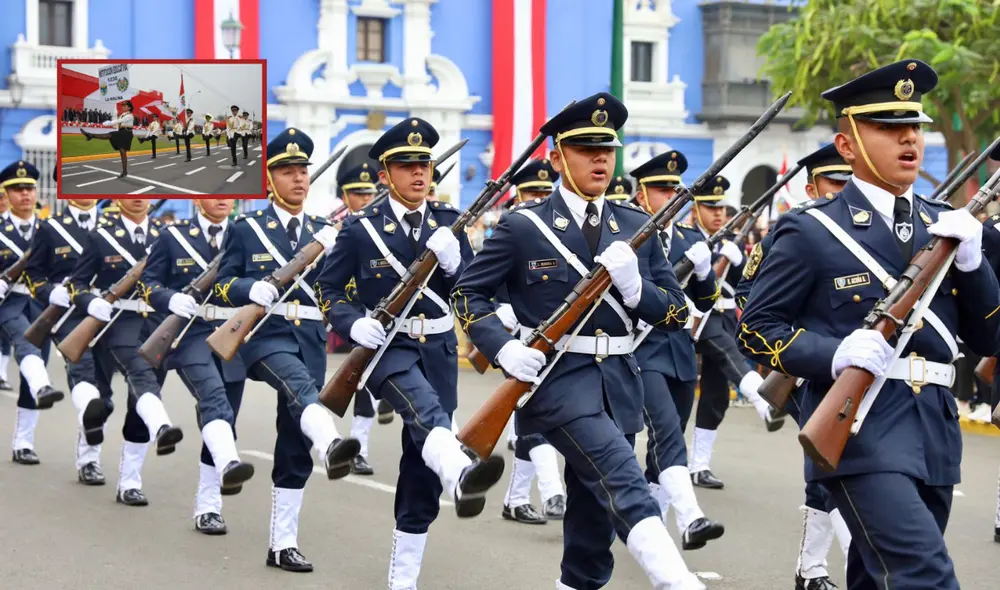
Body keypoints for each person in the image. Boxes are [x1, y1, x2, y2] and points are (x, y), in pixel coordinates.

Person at [737, 59, 1000, 589]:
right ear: (848, 144)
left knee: (877, 578)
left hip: (934, 432)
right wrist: (832, 355)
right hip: (860, 430)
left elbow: (989, 338)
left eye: (915, 128)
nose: (909, 139)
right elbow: (757, 328)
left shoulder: (948, 227)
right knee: (925, 576)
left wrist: (973, 265)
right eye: (887, 128)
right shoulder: (810, 231)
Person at [454, 92, 705, 589]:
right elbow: (468, 293)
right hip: (557, 381)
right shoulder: (524, 227)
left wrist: (637, 289)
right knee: (624, 478)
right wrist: (503, 348)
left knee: (592, 530)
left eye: (607, 150)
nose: (600, 160)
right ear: (556, 158)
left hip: (620, 384)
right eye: (587, 149)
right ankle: (678, 581)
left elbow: (677, 310)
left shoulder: (636, 226)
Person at [316, 117, 506, 589]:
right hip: (388, 349)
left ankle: (403, 579)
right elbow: (329, 288)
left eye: (424, 164)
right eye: (406, 165)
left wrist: (457, 261)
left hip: (438, 347)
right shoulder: (362, 229)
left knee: (421, 462)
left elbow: (468, 291)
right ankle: (462, 470)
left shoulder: (448, 224)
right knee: (427, 414)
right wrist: (351, 321)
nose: (419, 173)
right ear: (386, 174)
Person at [214, 127, 360, 572]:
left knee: (295, 436)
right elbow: (221, 285)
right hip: (262, 337)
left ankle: (282, 542)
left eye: (303, 172)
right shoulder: (247, 228)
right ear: (269, 178)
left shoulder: (326, 232)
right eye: (288, 172)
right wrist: (248, 286)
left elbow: (343, 291)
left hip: (309, 339)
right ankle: (332, 441)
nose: (298, 179)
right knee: (300, 390)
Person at [734, 143, 854, 590]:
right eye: (834, 182)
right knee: (830, 464)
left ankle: (811, 568)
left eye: (848, 180)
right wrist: (797, 344)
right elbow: (751, 299)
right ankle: (855, 565)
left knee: (833, 469)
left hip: (862, 369)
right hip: (808, 365)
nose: (842, 189)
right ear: (811, 187)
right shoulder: (792, 234)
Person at [628, 149, 726, 550]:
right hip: (642, 350)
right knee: (668, 434)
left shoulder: (690, 237)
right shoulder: (631, 234)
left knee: (662, 448)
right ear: (642, 196)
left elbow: (706, 302)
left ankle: (652, 526)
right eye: (661, 190)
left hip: (681, 354)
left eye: (674, 190)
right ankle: (691, 518)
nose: (670, 196)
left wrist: (704, 273)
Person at [140, 198, 255, 534]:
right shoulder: (172, 236)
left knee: (224, 418)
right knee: (213, 396)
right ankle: (221, 480)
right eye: (214, 192)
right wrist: (168, 298)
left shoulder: (246, 234)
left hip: (233, 334)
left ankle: (211, 500)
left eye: (230, 194)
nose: (222, 200)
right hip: (190, 335)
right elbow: (149, 284)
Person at [491, 158, 568, 525]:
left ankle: (516, 499)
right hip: (523, 339)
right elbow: (478, 280)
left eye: (543, 190)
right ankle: (552, 490)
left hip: (563, 338)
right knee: (534, 415)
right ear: (517, 194)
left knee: (533, 416)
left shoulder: (557, 228)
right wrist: (499, 310)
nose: (538, 196)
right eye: (531, 191)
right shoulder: (511, 227)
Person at [686, 176, 774, 491]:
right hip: (695, 317)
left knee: (716, 396)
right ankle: (762, 398)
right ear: (696, 210)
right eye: (710, 207)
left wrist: (735, 263)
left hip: (721, 316)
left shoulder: (729, 241)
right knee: (728, 353)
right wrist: (711, 263)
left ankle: (698, 466)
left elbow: (740, 287)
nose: (718, 213)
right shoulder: (688, 239)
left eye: (721, 207)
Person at [23, 195, 113, 484]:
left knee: (105, 391)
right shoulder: (51, 228)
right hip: (69, 314)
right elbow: (33, 274)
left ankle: (91, 448)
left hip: (110, 315)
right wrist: (49, 292)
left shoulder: (114, 224)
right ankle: (90, 461)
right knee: (82, 372)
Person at [0, 160, 66, 465]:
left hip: (42, 303)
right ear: (6, 193)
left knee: (34, 361)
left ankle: (23, 441)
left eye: (28, 188)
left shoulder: (50, 230)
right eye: (17, 189)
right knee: (24, 342)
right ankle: (43, 385)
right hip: (9, 303)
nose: (24, 194)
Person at [331, 161, 381, 476]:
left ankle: (358, 447)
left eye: (368, 193)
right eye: (357, 194)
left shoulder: (380, 225)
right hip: (342, 311)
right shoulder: (335, 229)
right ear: (345, 197)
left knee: (367, 382)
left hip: (372, 312)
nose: (365, 199)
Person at [80, 100, 135, 178]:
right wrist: (112, 121)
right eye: (123, 106)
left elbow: (120, 121)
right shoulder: (122, 114)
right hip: (122, 131)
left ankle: (91, 135)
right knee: (122, 152)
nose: (123, 107)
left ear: (129, 107)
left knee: (111, 136)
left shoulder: (130, 115)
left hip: (126, 133)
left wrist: (109, 123)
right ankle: (125, 171)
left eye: (125, 106)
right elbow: (119, 122)